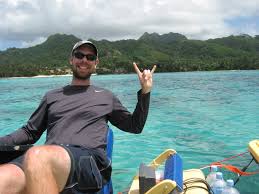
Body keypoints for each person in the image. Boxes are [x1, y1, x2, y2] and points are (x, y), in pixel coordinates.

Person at [0, 40, 156, 194]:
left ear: (96, 63)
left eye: (90, 57)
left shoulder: (106, 97)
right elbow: (29, 132)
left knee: (38, 155)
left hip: (89, 163)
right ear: (71, 59)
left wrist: (145, 93)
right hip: (49, 159)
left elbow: (135, 126)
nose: (84, 60)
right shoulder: (51, 96)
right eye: (79, 55)